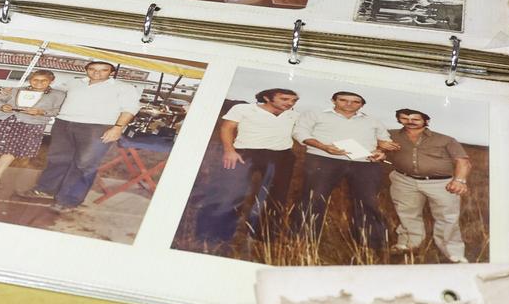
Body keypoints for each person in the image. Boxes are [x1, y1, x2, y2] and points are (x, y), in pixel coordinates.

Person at [191, 87, 299, 250]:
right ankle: (213, 235)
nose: (290, 103)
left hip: (281, 156)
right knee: (229, 192)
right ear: (267, 98)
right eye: (284, 99)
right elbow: (227, 128)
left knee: (275, 196)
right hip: (245, 153)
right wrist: (229, 151)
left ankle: (263, 237)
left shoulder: (293, 115)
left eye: (293, 100)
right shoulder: (244, 109)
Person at [27, 61, 141, 213]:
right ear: (86, 70)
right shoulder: (74, 83)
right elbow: (47, 89)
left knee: (84, 165)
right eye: (92, 69)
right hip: (64, 123)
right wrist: (16, 91)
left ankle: (68, 200)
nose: (97, 73)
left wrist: (118, 128)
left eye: (103, 70)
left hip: (97, 128)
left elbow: (130, 109)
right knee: (57, 159)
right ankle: (46, 189)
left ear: (112, 72)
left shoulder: (124, 88)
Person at [294, 90, 398, 251]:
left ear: (362, 105)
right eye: (343, 100)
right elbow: (300, 132)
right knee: (314, 199)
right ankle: (303, 242)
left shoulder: (372, 121)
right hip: (324, 159)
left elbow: (385, 142)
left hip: (364, 163)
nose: (349, 104)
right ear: (333, 100)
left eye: (356, 101)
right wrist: (324, 147)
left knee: (368, 202)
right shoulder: (316, 114)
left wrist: (382, 152)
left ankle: (371, 245)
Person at [386, 107, 472, 261]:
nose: (410, 122)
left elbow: (463, 161)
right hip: (404, 180)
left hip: (441, 183)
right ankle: (409, 244)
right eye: (404, 118)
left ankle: (453, 253)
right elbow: (377, 148)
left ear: (426, 120)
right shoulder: (390, 135)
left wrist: (459, 181)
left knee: (447, 218)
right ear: (398, 119)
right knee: (407, 213)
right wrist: (380, 150)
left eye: (415, 119)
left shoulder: (445, 139)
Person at [0, 67, 64, 192]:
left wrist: (41, 112)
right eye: (35, 80)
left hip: (30, 124)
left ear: (51, 81)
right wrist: (2, 106)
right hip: (2, 120)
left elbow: (58, 111)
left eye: (43, 81)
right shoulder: (15, 90)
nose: (38, 83)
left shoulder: (59, 95)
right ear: (30, 79)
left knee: (11, 151)